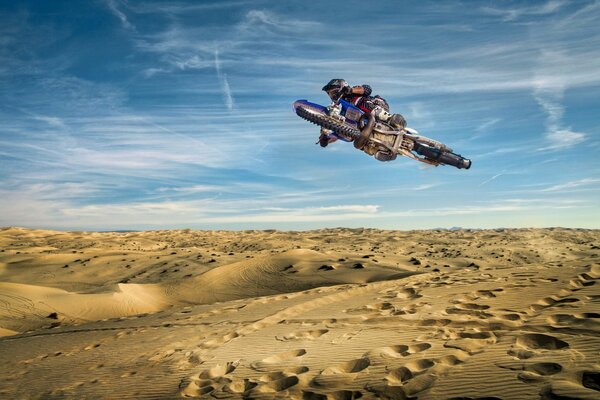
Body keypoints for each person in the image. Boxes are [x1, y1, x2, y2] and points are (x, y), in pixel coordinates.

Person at [318, 79, 407, 147]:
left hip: (375, 107)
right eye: (329, 93)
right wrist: (325, 138)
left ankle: (391, 119)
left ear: (342, 87)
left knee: (359, 101)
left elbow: (367, 89)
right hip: (362, 126)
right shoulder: (339, 109)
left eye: (334, 92)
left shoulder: (353, 94)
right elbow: (337, 133)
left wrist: (351, 90)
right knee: (341, 124)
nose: (332, 95)